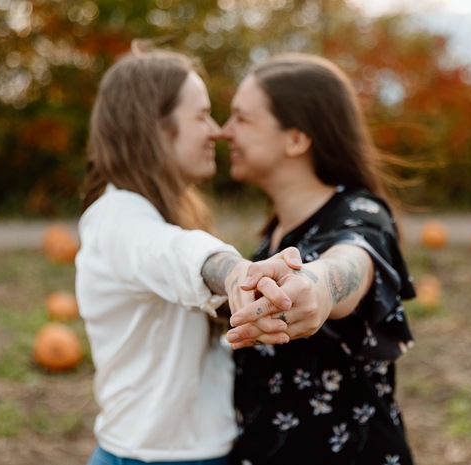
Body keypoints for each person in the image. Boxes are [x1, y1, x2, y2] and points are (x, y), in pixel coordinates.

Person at [75, 42, 308, 465]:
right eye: (201, 116)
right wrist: (234, 271)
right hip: (151, 458)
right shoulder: (116, 218)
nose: (217, 130)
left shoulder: (167, 212)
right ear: (154, 129)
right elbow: (173, 254)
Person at [220, 53, 417, 465]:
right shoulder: (272, 237)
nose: (225, 131)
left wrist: (318, 286)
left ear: (295, 138)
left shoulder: (361, 211)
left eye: (242, 118)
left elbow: (354, 259)